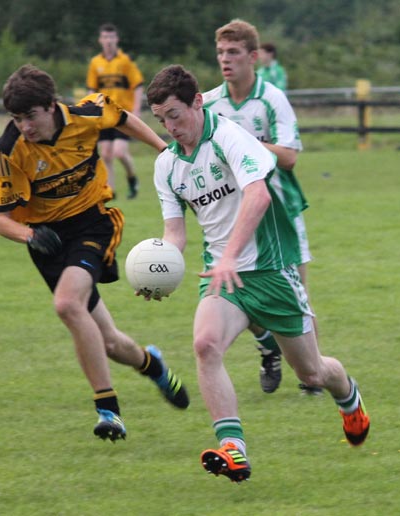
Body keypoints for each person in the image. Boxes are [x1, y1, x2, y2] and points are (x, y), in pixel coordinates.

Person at [146, 64, 370, 483]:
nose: (169, 127)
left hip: (270, 271)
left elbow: (258, 194)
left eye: (174, 115)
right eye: (161, 120)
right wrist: (161, 270)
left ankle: (349, 398)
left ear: (197, 102)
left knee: (312, 372)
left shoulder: (231, 136)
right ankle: (233, 449)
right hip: (221, 275)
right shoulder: (167, 165)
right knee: (205, 345)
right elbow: (174, 233)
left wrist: (232, 255)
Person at [0, 64, 189, 443]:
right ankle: (153, 365)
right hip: (45, 239)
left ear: (51, 106)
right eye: (16, 118)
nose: (24, 126)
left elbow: (126, 118)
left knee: (67, 305)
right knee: (111, 342)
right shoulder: (9, 149)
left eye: (30, 116)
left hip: (91, 224)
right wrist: (30, 235)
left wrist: (166, 153)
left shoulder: (87, 113)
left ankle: (108, 410)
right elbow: (2, 220)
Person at [203, 19, 321, 395]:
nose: (226, 60)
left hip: (279, 210)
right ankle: (269, 347)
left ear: (253, 57)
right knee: (233, 284)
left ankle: (312, 377)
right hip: (230, 214)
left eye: (234, 53)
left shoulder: (271, 98)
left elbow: (288, 157)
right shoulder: (208, 103)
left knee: (296, 294)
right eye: (221, 52)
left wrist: (237, 141)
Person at [86, 23, 144, 200]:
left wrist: (136, 110)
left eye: (111, 37)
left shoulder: (124, 61)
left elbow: (138, 85)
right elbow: (91, 89)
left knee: (119, 152)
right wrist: (91, 109)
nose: (108, 41)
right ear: (100, 40)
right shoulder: (96, 63)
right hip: (104, 115)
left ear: (116, 39)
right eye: (105, 37)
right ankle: (110, 190)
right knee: (106, 154)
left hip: (121, 114)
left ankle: (132, 178)